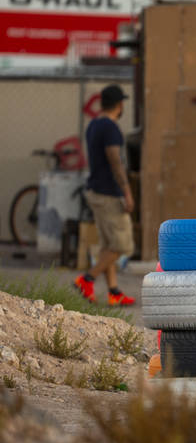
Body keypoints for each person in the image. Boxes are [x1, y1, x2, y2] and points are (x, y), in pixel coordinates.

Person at [73, 85, 136, 306]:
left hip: (95, 191)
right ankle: (86, 279)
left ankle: (113, 291)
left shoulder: (94, 125)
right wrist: (127, 192)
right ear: (120, 105)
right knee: (122, 246)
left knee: (108, 244)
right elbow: (115, 162)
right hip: (109, 194)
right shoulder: (111, 128)